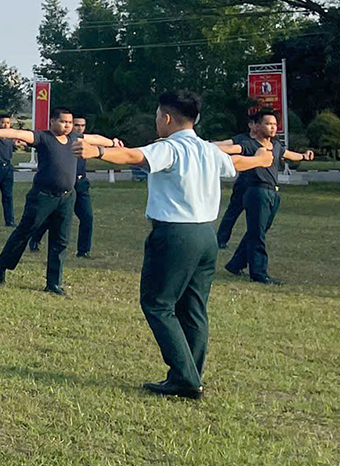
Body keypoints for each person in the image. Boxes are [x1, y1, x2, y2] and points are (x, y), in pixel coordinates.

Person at [78, 90, 275, 399]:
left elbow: (133, 156)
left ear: (166, 118)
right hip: (206, 237)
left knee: (157, 303)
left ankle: (185, 377)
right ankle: (189, 375)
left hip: (174, 235)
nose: (157, 122)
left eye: (158, 116)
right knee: (193, 308)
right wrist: (260, 159)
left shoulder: (169, 148)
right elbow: (235, 162)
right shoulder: (208, 150)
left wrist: (97, 152)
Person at [0, 109, 84, 295]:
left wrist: (112, 143)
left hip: (66, 197)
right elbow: (15, 133)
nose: (67, 126)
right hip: (42, 196)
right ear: (52, 122)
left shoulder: (74, 139)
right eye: (63, 122)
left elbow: (96, 139)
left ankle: (53, 283)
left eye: (70, 123)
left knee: (61, 240)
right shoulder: (43, 138)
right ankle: (2, 264)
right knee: (25, 232)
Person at [215, 108, 312, 285]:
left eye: (275, 124)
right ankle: (259, 273)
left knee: (257, 232)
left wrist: (304, 156)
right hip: (256, 193)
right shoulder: (250, 145)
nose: (273, 127)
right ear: (257, 126)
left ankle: (236, 264)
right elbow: (228, 148)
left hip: (273, 194)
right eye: (268, 124)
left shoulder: (276, 146)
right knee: (257, 235)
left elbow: (290, 155)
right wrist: (200, 145)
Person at [72, 114, 97, 258]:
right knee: (51, 217)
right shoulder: (66, 141)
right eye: (77, 125)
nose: (79, 128)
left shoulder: (86, 142)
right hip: (67, 184)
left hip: (81, 184)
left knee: (87, 217)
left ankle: (83, 251)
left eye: (82, 125)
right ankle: (35, 239)